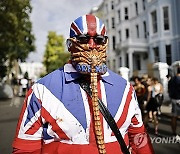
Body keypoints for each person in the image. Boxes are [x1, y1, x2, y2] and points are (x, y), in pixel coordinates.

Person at [12, 14, 154, 154]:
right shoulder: (41, 90)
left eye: (98, 40)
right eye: (83, 39)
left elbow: (139, 138)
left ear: (105, 43)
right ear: (70, 44)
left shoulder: (125, 89)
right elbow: (26, 148)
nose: (92, 45)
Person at [168, 66, 180, 138]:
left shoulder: (172, 79)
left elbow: (169, 89)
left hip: (173, 99)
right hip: (178, 98)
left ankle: (174, 133)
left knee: (174, 116)